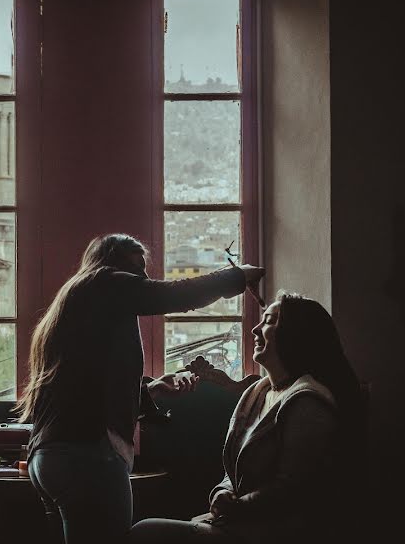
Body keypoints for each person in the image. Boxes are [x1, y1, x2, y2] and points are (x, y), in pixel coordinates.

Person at [16, 233, 264, 544]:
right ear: (113, 263)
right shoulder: (106, 282)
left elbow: (88, 386)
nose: (144, 278)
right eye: (138, 269)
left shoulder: (75, 298)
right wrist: (238, 276)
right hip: (87, 457)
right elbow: (175, 294)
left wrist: (153, 389)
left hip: (49, 457)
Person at [129, 292, 364, 544]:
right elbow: (234, 470)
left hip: (274, 532)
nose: (254, 329)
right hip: (239, 521)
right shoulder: (258, 391)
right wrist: (223, 491)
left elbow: (292, 489)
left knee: (146, 532)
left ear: (295, 334)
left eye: (269, 321)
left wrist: (236, 507)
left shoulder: (308, 402)